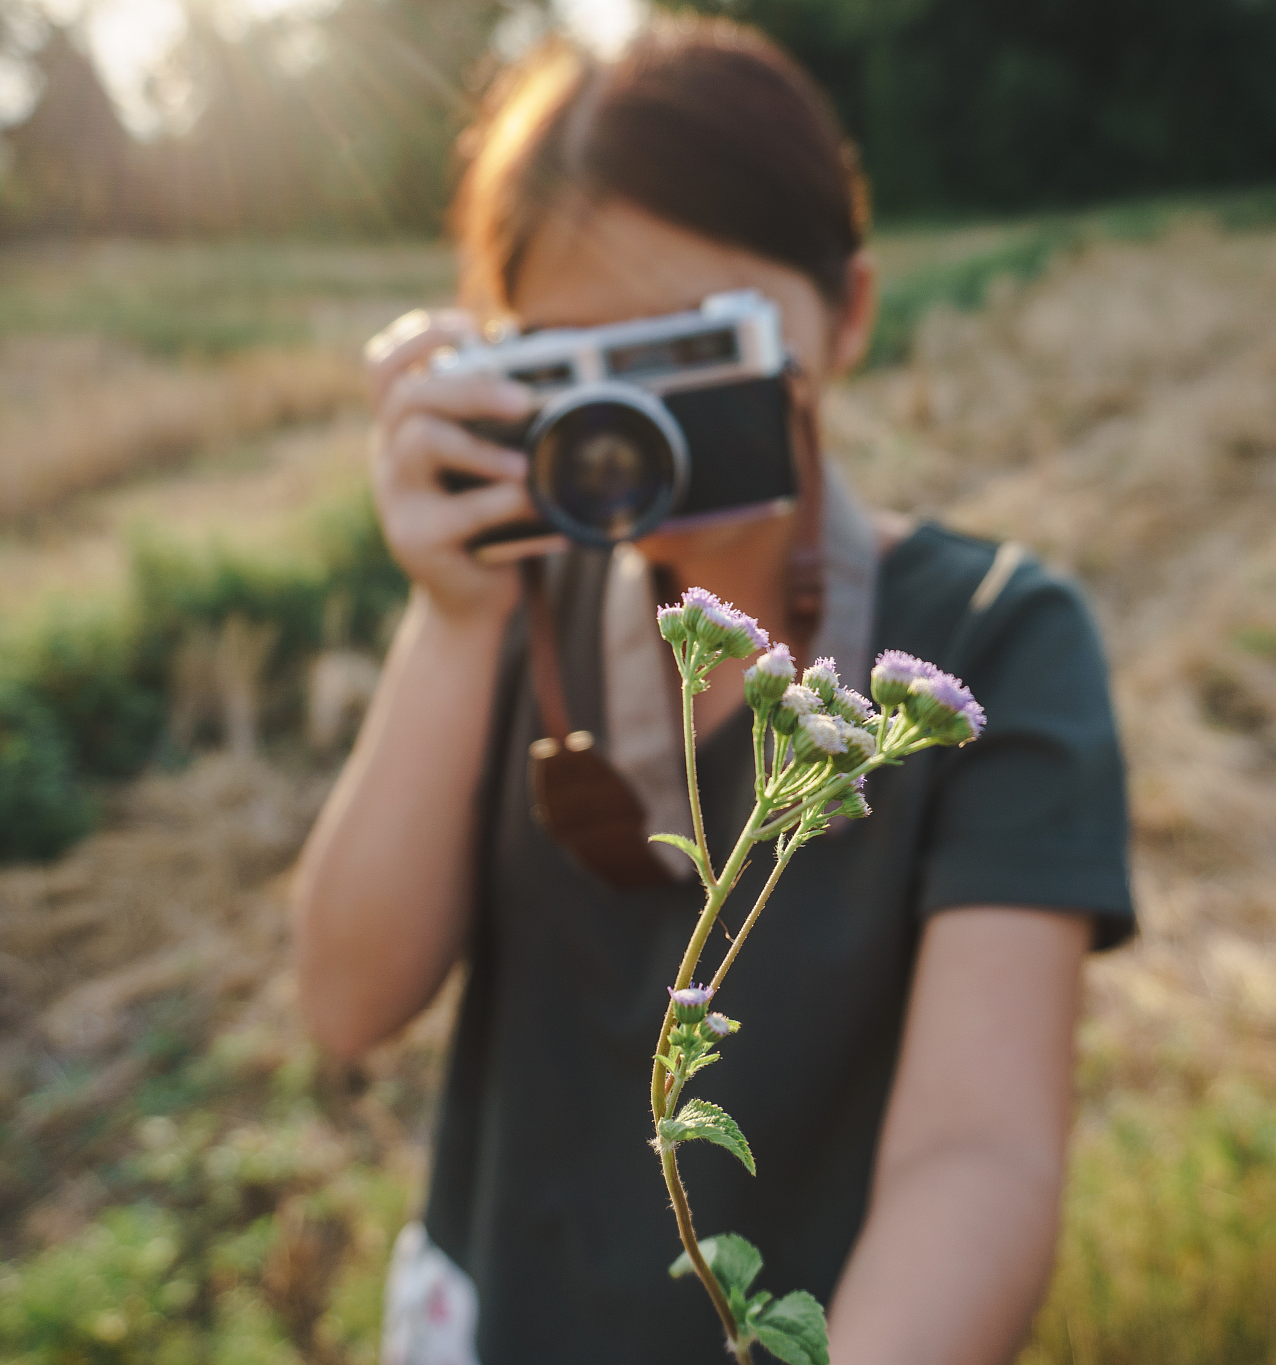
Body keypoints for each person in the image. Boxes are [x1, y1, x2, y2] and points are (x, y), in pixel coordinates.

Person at [290, 17, 1134, 1365]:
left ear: (848, 313)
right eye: (572, 362)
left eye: (685, 350)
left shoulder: (997, 637)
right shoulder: (517, 605)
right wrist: (453, 610)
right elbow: (343, 1002)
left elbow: (979, 1151)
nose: (636, 424)